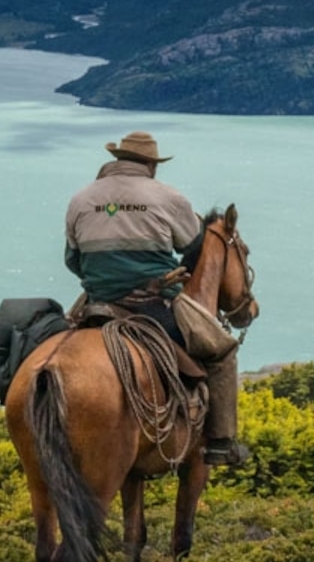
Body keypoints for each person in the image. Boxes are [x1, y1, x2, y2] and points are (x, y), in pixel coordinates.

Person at [62, 129, 246, 468]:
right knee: (223, 351)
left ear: (117, 160)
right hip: (154, 301)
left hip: (97, 301)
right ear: (151, 164)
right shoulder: (169, 197)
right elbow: (192, 246)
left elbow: (73, 260)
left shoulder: (80, 199)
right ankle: (221, 442)